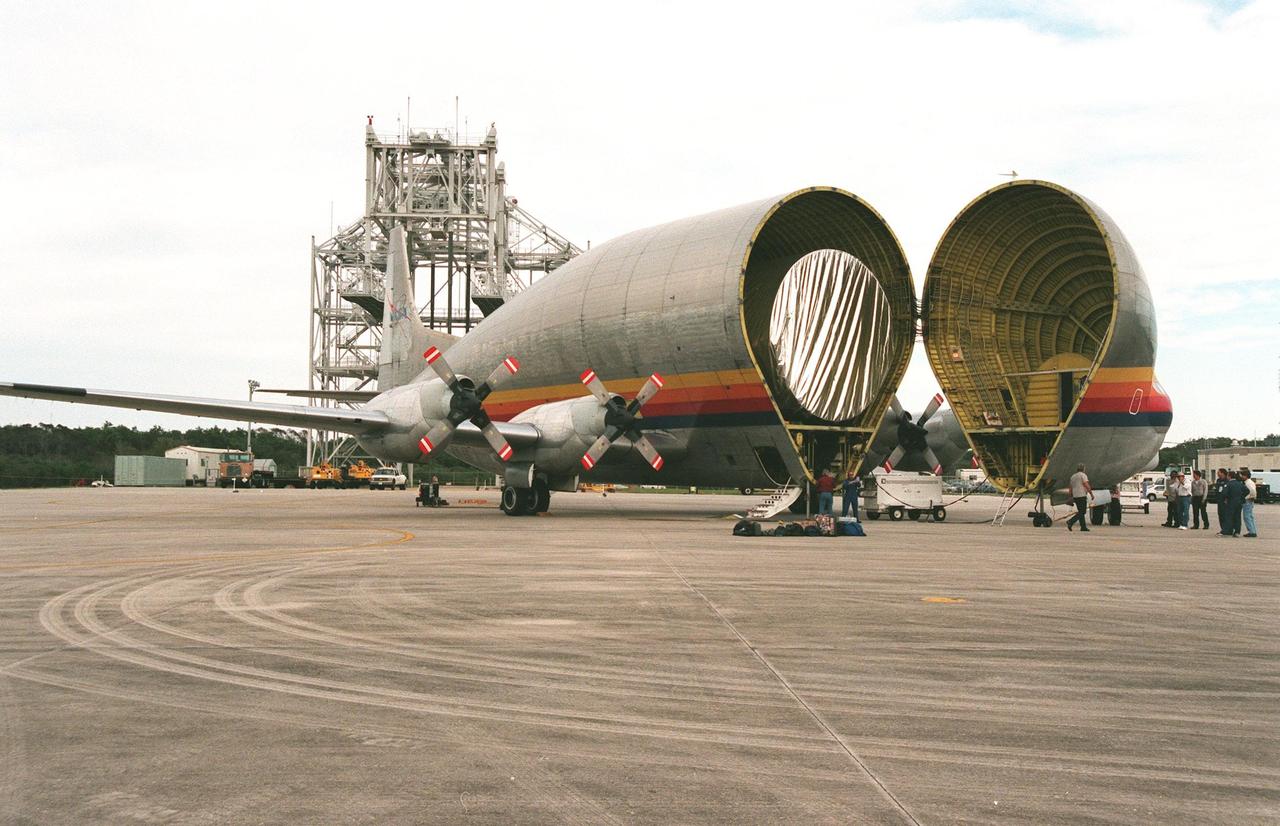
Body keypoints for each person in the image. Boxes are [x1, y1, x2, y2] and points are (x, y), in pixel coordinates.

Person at [1065, 463, 1093, 532]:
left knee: (1080, 511)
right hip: (1082, 495)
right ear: (1083, 469)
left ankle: (1083, 527)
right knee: (1082, 512)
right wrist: (1091, 494)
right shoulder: (1083, 475)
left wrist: (1070, 496)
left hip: (1076, 496)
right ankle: (1070, 521)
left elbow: (1070, 487)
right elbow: (1086, 485)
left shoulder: (1073, 476)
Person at [1222, 471, 1246, 537]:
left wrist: (1226, 498)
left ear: (1229, 476)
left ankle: (1228, 531)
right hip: (1239, 503)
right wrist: (1241, 496)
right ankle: (1237, 532)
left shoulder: (1228, 484)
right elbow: (1247, 490)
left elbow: (1224, 493)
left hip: (1231, 502)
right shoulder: (1240, 483)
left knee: (1229, 517)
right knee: (1237, 517)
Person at [1241, 468, 1258, 537]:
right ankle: (1253, 530)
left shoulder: (1248, 483)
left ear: (1246, 476)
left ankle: (1251, 531)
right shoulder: (1250, 482)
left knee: (1247, 516)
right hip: (1250, 500)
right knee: (1250, 516)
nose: (1241, 477)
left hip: (1247, 500)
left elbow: (1253, 491)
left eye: (1242, 475)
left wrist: (1252, 497)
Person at [1215, 468, 1230, 534]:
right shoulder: (1218, 480)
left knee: (1225, 515)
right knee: (1220, 514)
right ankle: (1223, 529)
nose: (1217, 474)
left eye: (1219, 472)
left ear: (1223, 473)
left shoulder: (1227, 480)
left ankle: (1227, 529)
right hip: (1219, 500)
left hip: (1225, 501)